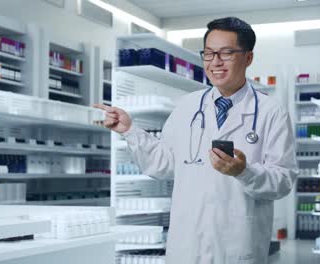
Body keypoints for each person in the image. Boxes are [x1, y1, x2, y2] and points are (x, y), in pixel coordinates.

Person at [94, 16, 297, 264]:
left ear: (248, 58)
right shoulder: (188, 106)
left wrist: (245, 172)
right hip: (187, 245)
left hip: (237, 246)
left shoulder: (270, 112)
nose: (215, 63)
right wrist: (130, 131)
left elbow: (284, 180)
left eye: (226, 53)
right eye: (209, 54)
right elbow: (164, 164)